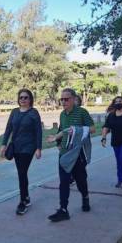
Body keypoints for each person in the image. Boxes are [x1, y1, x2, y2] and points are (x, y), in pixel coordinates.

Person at [46, 88, 95, 222]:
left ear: (73, 99)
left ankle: (85, 197)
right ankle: (63, 210)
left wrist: (77, 130)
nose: (63, 102)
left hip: (77, 154)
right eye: (61, 99)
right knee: (64, 182)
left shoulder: (82, 112)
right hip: (64, 154)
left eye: (66, 99)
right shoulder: (62, 114)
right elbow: (62, 129)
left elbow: (92, 128)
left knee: (81, 181)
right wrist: (56, 139)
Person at [0, 89, 42, 215]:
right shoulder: (14, 112)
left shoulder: (34, 113)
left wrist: (38, 148)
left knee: (22, 173)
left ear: (30, 99)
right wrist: (3, 144)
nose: (23, 100)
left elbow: (38, 131)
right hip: (16, 147)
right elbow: (8, 128)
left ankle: (22, 202)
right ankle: (27, 197)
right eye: (21, 97)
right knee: (22, 173)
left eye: (26, 97)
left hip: (28, 148)